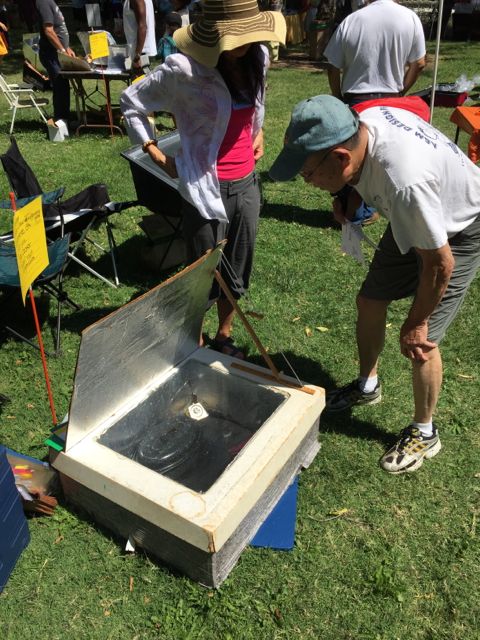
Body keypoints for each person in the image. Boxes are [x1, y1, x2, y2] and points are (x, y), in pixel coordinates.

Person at [269, 95, 480, 474]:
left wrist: (415, 322)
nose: (308, 182)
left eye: (309, 173)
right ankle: (367, 387)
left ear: (339, 158)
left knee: (422, 340)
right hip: (414, 215)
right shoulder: (360, 121)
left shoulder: (404, 182)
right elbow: (363, 163)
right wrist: (344, 193)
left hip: (459, 227)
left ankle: (425, 432)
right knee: (370, 300)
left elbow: (439, 263)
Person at [121, 0, 286, 358]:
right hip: (203, 187)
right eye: (236, 36)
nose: (245, 43)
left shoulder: (257, 56)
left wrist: (258, 132)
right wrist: (154, 152)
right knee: (202, 274)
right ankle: (194, 341)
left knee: (239, 267)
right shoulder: (183, 70)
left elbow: (255, 102)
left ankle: (223, 334)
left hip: (246, 183)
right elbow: (131, 102)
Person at [324, 0, 426, 107]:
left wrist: (338, 97)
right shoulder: (410, 18)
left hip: (355, 100)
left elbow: (332, 67)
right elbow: (419, 63)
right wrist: (401, 92)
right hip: (391, 98)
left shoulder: (350, 20)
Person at [35, 0, 75, 122]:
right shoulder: (44, 2)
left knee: (63, 85)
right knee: (60, 85)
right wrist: (62, 49)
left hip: (58, 51)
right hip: (51, 54)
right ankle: (61, 120)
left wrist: (66, 47)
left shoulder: (50, 2)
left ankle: (64, 117)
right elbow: (49, 30)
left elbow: (58, 29)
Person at [123, 0, 157, 72]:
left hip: (140, 52)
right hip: (142, 50)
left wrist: (137, 56)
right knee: (145, 81)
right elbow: (152, 22)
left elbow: (143, 26)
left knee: (139, 82)